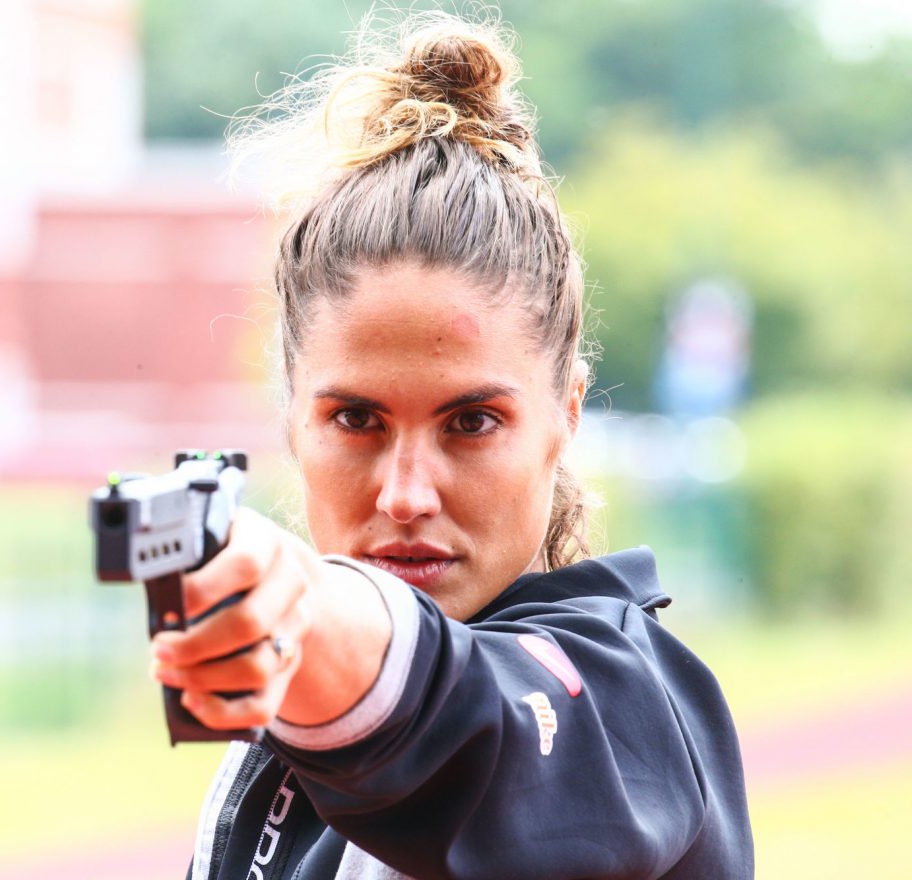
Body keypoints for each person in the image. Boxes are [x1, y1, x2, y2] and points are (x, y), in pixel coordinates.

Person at [149, 9, 754, 879]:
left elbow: (472, 719)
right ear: (292, 420)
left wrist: (300, 607)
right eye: (356, 420)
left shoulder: (633, 710)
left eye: (471, 422)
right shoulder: (288, 738)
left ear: (566, 416)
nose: (404, 494)